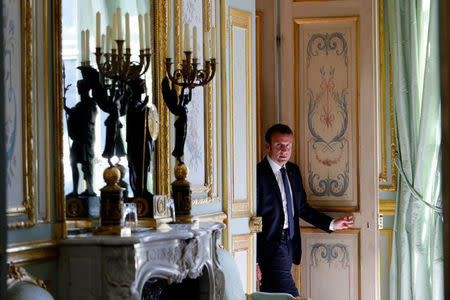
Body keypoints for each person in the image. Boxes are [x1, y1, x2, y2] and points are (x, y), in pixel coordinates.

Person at [256, 123, 354, 297]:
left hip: (290, 242)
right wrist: (254, 259)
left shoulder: (293, 170)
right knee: (290, 295)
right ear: (268, 146)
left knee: (273, 294)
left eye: (288, 145)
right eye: (279, 145)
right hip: (271, 246)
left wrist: (331, 224)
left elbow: (302, 208)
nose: (284, 150)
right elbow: (251, 218)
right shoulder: (257, 174)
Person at [64, 71, 98, 196]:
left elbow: (85, 117)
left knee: (87, 165)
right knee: (73, 162)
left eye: (80, 88)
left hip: (86, 141)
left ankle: (89, 189)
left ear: (84, 89)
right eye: (78, 88)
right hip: (78, 140)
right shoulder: (80, 105)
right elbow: (75, 113)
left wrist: (68, 110)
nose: (78, 90)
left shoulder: (91, 103)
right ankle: (74, 190)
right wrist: (65, 107)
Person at [125, 78, 154, 198]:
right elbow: (135, 116)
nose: (143, 89)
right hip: (136, 142)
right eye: (142, 87)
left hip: (145, 139)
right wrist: (144, 105)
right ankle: (139, 188)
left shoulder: (138, 104)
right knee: (138, 165)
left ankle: (144, 188)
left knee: (145, 164)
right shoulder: (132, 103)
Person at [161, 76, 191, 164]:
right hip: (180, 125)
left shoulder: (182, 106)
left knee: (182, 140)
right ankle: (178, 155)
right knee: (180, 140)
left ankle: (179, 155)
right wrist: (184, 87)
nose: (185, 98)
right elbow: (181, 98)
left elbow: (189, 98)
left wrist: (190, 89)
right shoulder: (178, 107)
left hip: (183, 124)